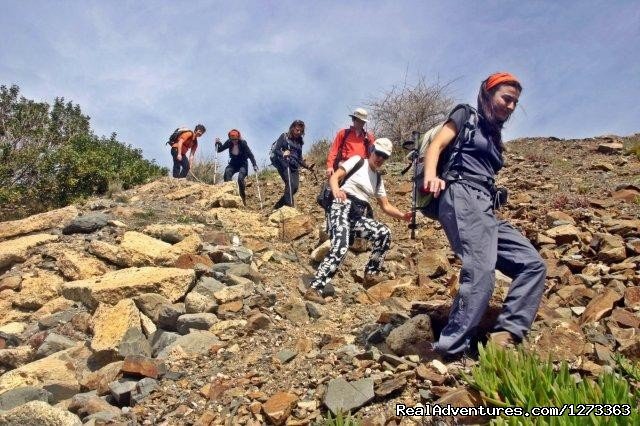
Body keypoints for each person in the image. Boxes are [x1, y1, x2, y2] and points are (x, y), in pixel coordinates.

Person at [421, 72, 547, 360]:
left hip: (485, 206)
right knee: (481, 271)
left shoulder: (494, 135)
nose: (511, 106)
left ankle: (505, 338)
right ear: (488, 94)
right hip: (460, 192)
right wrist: (432, 176)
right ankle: (449, 350)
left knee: (533, 264)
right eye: (506, 98)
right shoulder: (466, 115)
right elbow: (437, 145)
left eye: (515, 102)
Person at [303, 138, 411, 304]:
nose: (380, 158)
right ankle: (315, 288)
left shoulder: (378, 179)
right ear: (372, 150)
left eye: (385, 156)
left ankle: (371, 274)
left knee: (384, 232)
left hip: (358, 214)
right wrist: (337, 190)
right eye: (378, 153)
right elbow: (334, 178)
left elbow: (386, 205)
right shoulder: (358, 161)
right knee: (341, 245)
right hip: (341, 205)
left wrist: (403, 216)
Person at [270, 120, 315, 209]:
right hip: (283, 162)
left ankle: (278, 206)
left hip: (294, 165)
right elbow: (276, 150)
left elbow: (299, 158)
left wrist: (307, 166)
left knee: (294, 187)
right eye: (297, 130)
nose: (298, 132)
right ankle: (289, 208)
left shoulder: (299, 142)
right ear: (292, 128)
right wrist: (283, 153)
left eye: (301, 131)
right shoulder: (284, 136)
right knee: (289, 183)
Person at [325, 108, 375, 177]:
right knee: (335, 184)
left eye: (362, 121)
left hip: (361, 166)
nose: (361, 123)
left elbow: (372, 154)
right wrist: (330, 166)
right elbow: (334, 150)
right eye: (358, 120)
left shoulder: (368, 137)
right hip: (345, 164)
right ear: (353, 119)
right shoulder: (343, 133)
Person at [215, 129, 258, 205]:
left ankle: (242, 198)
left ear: (238, 138)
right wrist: (218, 143)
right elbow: (219, 150)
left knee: (240, 179)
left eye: (235, 139)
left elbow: (250, 155)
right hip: (233, 163)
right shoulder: (229, 142)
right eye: (232, 139)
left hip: (243, 163)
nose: (234, 141)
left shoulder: (243, 143)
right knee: (227, 172)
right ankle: (229, 194)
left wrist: (254, 164)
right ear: (230, 139)